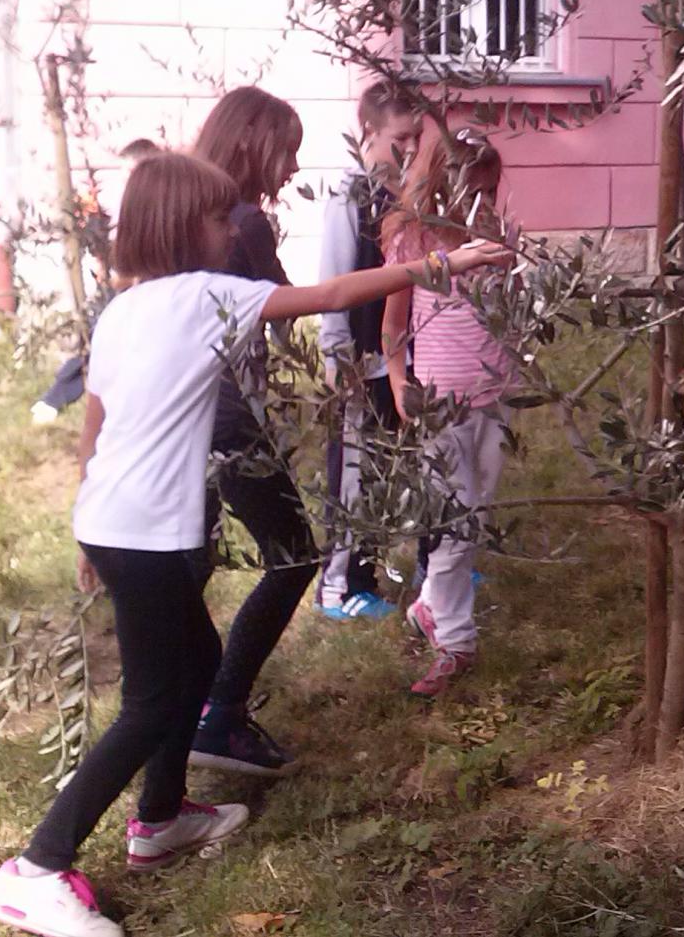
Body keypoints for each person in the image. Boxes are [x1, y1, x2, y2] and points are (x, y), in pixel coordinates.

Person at [0, 150, 509, 937]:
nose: (233, 229)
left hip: (113, 521)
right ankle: (36, 868)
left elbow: (95, 422)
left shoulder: (121, 308)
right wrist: (443, 264)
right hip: (145, 534)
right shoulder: (209, 295)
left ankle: (160, 820)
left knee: (196, 659)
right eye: (218, 217)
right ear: (180, 226)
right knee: (152, 701)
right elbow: (332, 294)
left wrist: (85, 522)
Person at [184, 88, 321, 777]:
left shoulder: (184, 214)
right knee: (295, 554)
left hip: (177, 415)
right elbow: (287, 305)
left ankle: (175, 713)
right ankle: (220, 712)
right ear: (250, 143)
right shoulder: (244, 223)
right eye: (286, 151)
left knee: (191, 566)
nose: (292, 168)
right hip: (229, 416)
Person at [382, 122, 515, 698]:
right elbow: (392, 323)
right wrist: (398, 384)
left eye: (488, 189)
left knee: (475, 515)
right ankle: (456, 641)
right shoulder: (413, 242)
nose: (480, 201)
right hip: (440, 403)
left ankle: (429, 604)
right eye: (470, 188)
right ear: (441, 182)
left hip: (496, 398)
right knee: (456, 521)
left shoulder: (497, 235)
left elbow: (511, 312)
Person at [315, 80, 425, 620]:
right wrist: (336, 355)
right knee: (354, 469)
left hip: (393, 358)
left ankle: (368, 574)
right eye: (400, 138)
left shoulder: (405, 195)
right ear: (368, 133)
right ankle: (337, 587)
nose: (410, 148)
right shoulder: (348, 197)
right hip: (359, 359)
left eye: (417, 137)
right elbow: (332, 282)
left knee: (383, 470)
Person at [31, 137, 163, 425]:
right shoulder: (124, 206)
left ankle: (57, 399)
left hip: (142, 291)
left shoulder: (159, 209)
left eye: (130, 173)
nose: (125, 181)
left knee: (102, 336)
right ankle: (57, 397)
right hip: (123, 289)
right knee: (96, 336)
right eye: (123, 173)